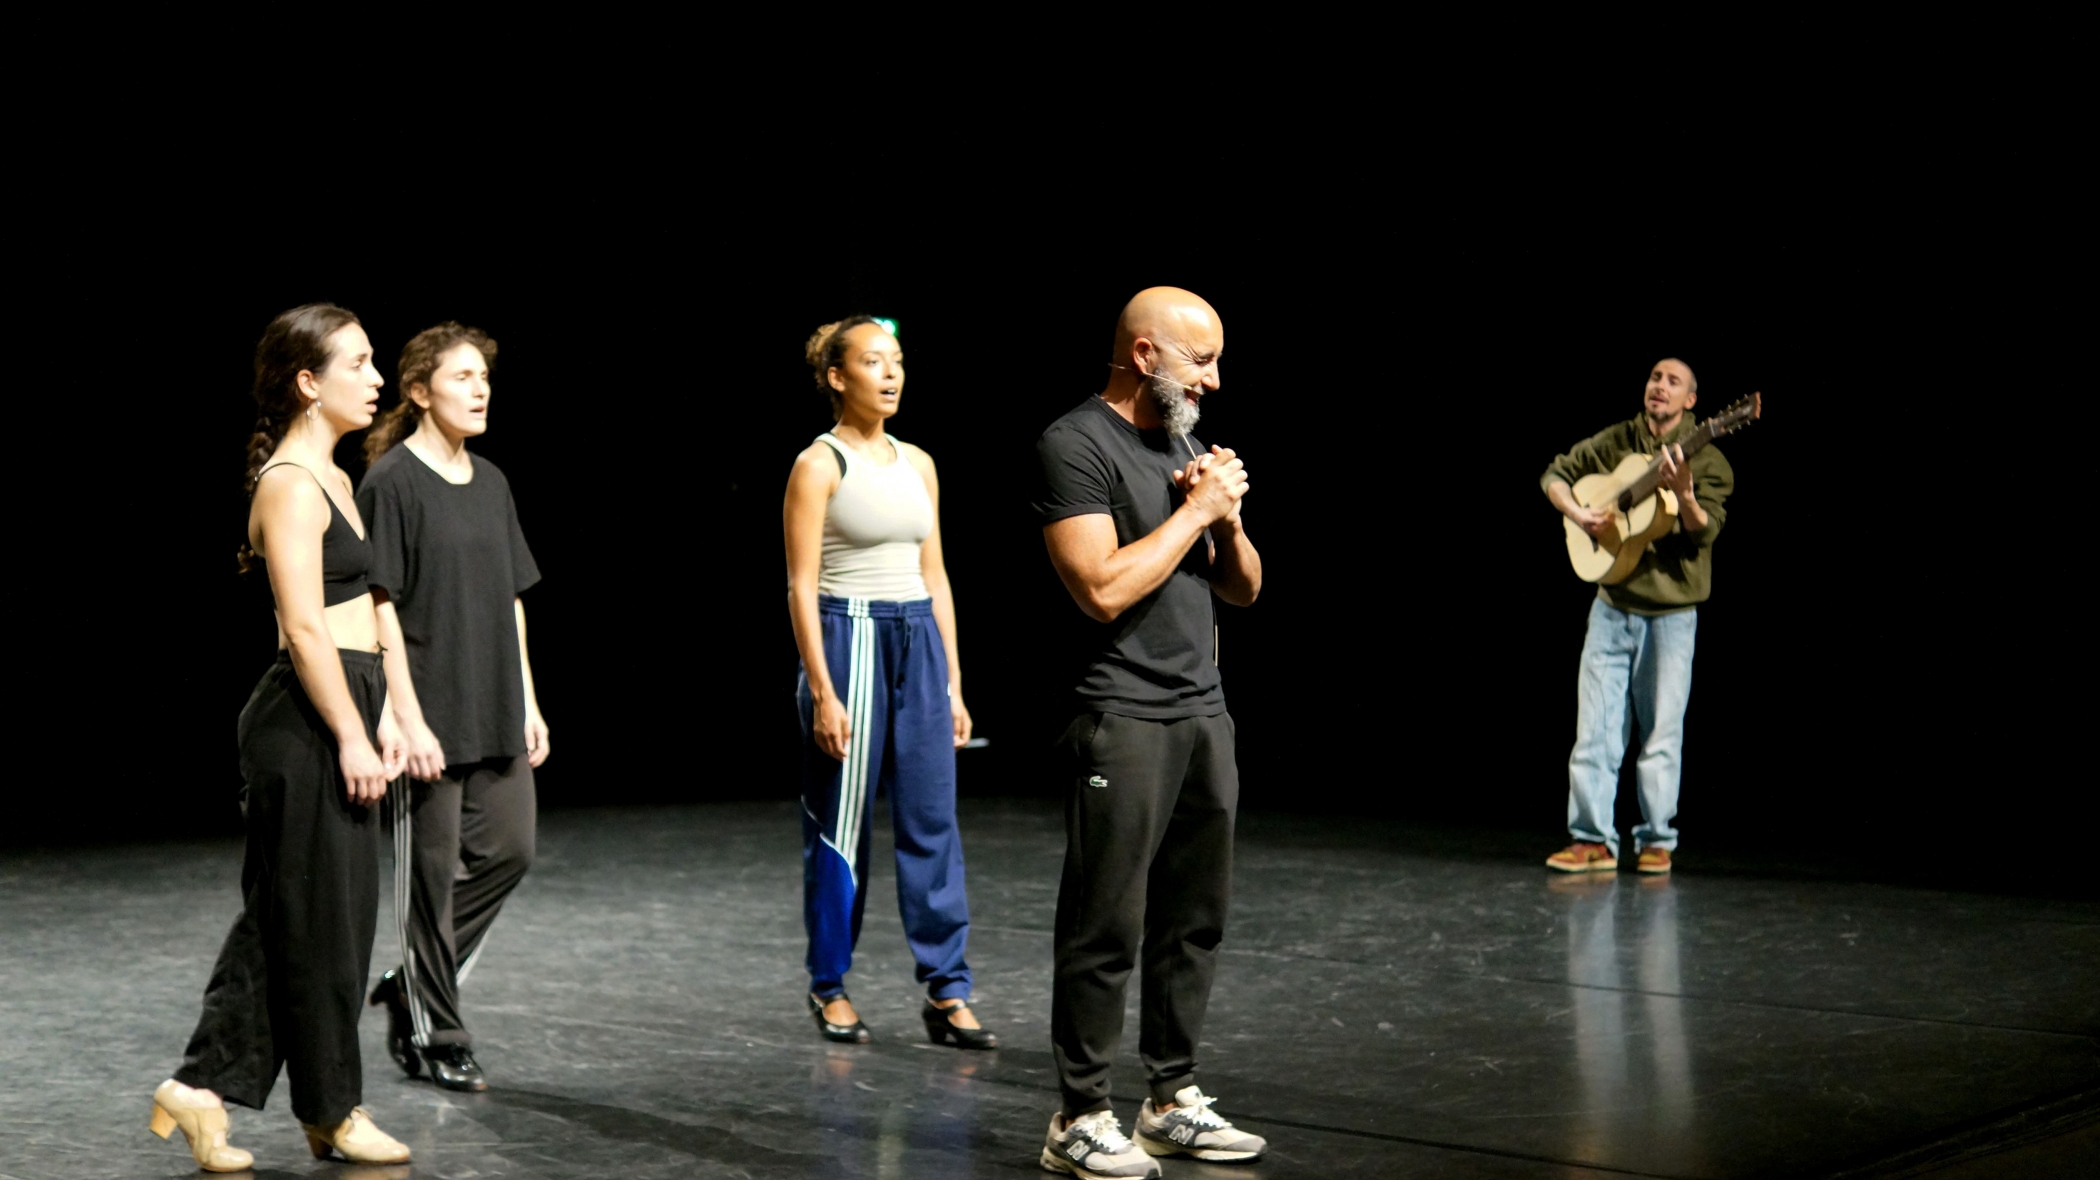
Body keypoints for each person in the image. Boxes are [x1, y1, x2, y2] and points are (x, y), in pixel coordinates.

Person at [151, 304, 412, 1170]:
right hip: (305, 720)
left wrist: (396, 713)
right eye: (361, 362)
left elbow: (372, 611)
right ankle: (330, 1109)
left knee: (301, 917)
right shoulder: (292, 485)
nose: (377, 378)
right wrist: (350, 734)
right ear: (309, 382)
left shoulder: (338, 478)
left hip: (346, 704)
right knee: (318, 922)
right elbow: (303, 629)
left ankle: (207, 1092)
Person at [1031, 287, 1269, 1178]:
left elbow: (1243, 589)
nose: (1213, 377)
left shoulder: (1188, 444)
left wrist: (1230, 520)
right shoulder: (1073, 444)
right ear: (1143, 356)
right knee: (1107, 924)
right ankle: (1079, 1115)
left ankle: (1170, 1097)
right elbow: (1098, 587)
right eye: (1199, 359)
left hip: (1203, 710)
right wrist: (1195, 515)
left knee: (1193, 921)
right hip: (1121, 714)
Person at [782, 315, 993, 1050]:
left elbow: (936, 575)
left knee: (932, 820)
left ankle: (948, 989)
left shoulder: (920, 463)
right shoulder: (820, 464)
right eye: (874, 361)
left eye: (897, 360)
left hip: (918, 642)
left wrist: (955, 683)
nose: (892, 373)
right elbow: (801, 586)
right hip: (850, 637)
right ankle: (829, 984)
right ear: (839, 377)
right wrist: (825, 689)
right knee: (841, 829)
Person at [358, 322, 548, 1092]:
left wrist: (529, 699)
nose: (480, 390)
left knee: (511, 850)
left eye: (485, 378)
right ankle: (437, 1032)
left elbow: (510, 598)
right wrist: (404, 715)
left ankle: (412, 985)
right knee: (427, 882)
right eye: (463, 377)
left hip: (496, 701)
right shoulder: (392, 482)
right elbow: (380, 605)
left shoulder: (494, 481)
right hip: (429, 709)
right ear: (419, 391)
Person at [1541, 358, 1736, 875]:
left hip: (1671, 616)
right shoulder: (1620, 438)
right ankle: (1592, 841)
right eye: (1655, 377)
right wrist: (1577, 512)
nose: (1660, 386)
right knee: (1595, 731)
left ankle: (1656, 840)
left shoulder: (1710, 459)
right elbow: (1556, 474)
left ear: (1691, 402)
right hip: (1611, 606)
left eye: (1674, 382)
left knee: (1660, 735)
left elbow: (1703, 531)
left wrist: (1686, 494)